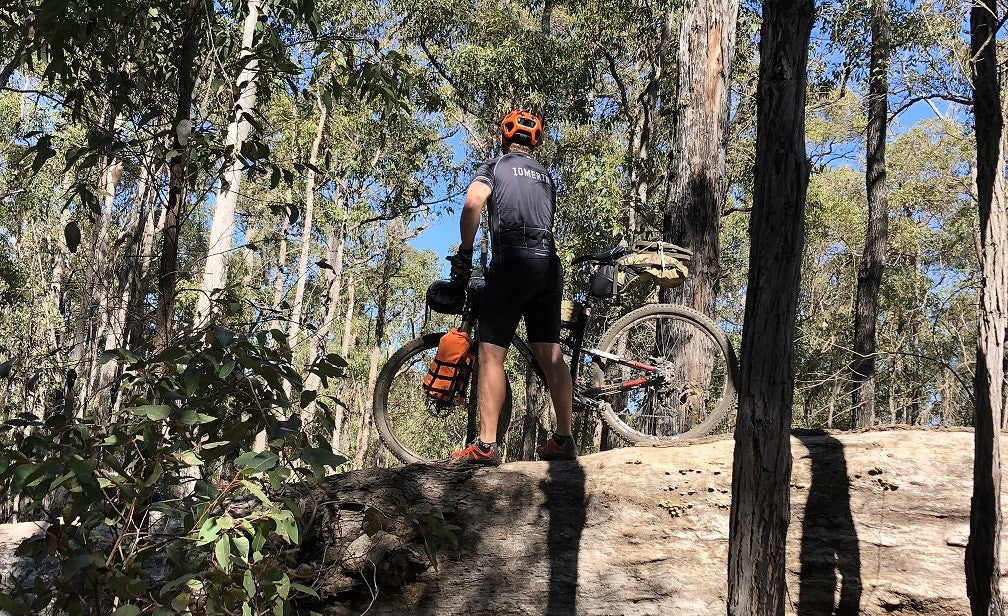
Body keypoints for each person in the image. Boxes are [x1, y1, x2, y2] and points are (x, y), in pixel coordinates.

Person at [446, 109, 577, 466]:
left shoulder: (495, 166)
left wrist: (466, 253)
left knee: (491, 355)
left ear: (504, 138)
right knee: (550, 354)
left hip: (512, 263)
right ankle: (563, 438)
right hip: (548, 266)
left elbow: (473, 202)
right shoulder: (546, 176)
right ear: (535, 142)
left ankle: (486, 446)